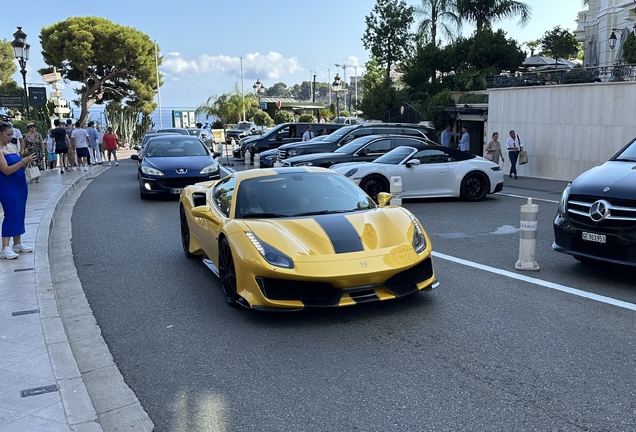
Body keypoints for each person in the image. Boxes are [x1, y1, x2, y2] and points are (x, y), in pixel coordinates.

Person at [0, 122, 35, 259]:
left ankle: (17, 243)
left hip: (20, 185)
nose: (10, 137)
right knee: (11, 214)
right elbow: (6, 170)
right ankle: (5, 247)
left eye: (12, 135)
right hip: (7, 186)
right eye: (8, 135)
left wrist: (27, 162)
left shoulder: (12, 147)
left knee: (20, 212)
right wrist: (23, 161)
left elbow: (18, 166)